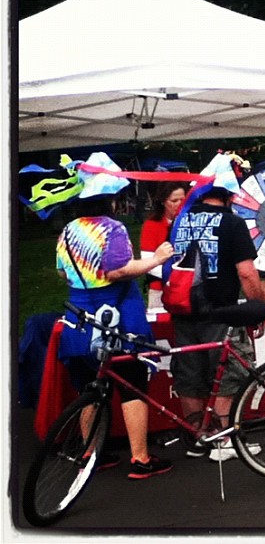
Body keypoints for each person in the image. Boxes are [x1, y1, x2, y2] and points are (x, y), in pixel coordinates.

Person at [57, 187, 175, 479]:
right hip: (118, 317)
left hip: (79, 316)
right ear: (109, 199)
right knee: (132, 380)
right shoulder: (113, 228)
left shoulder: (68, 230)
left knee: (88, 383)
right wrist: (157, 259)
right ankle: (140, 457)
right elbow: (118, 271)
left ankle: (91, 452)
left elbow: (61, 272)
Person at [168, 156, 265, 462]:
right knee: (226, 373)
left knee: (189, 373)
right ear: (228, 194)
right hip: (220, 310)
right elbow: (248, 273)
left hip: (182, 309)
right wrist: (257, 306)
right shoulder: (233, 223)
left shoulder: (179, 220)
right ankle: (225, 442)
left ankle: (199, 439)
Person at [140, 181, 187, 309]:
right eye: (174, 200)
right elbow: (148, 263)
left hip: (189, 289)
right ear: (163, 202)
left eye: (182, 200)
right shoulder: (151, 226)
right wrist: (177, 278)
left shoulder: (192, 222)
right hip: (159, 288)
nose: (179, 204)